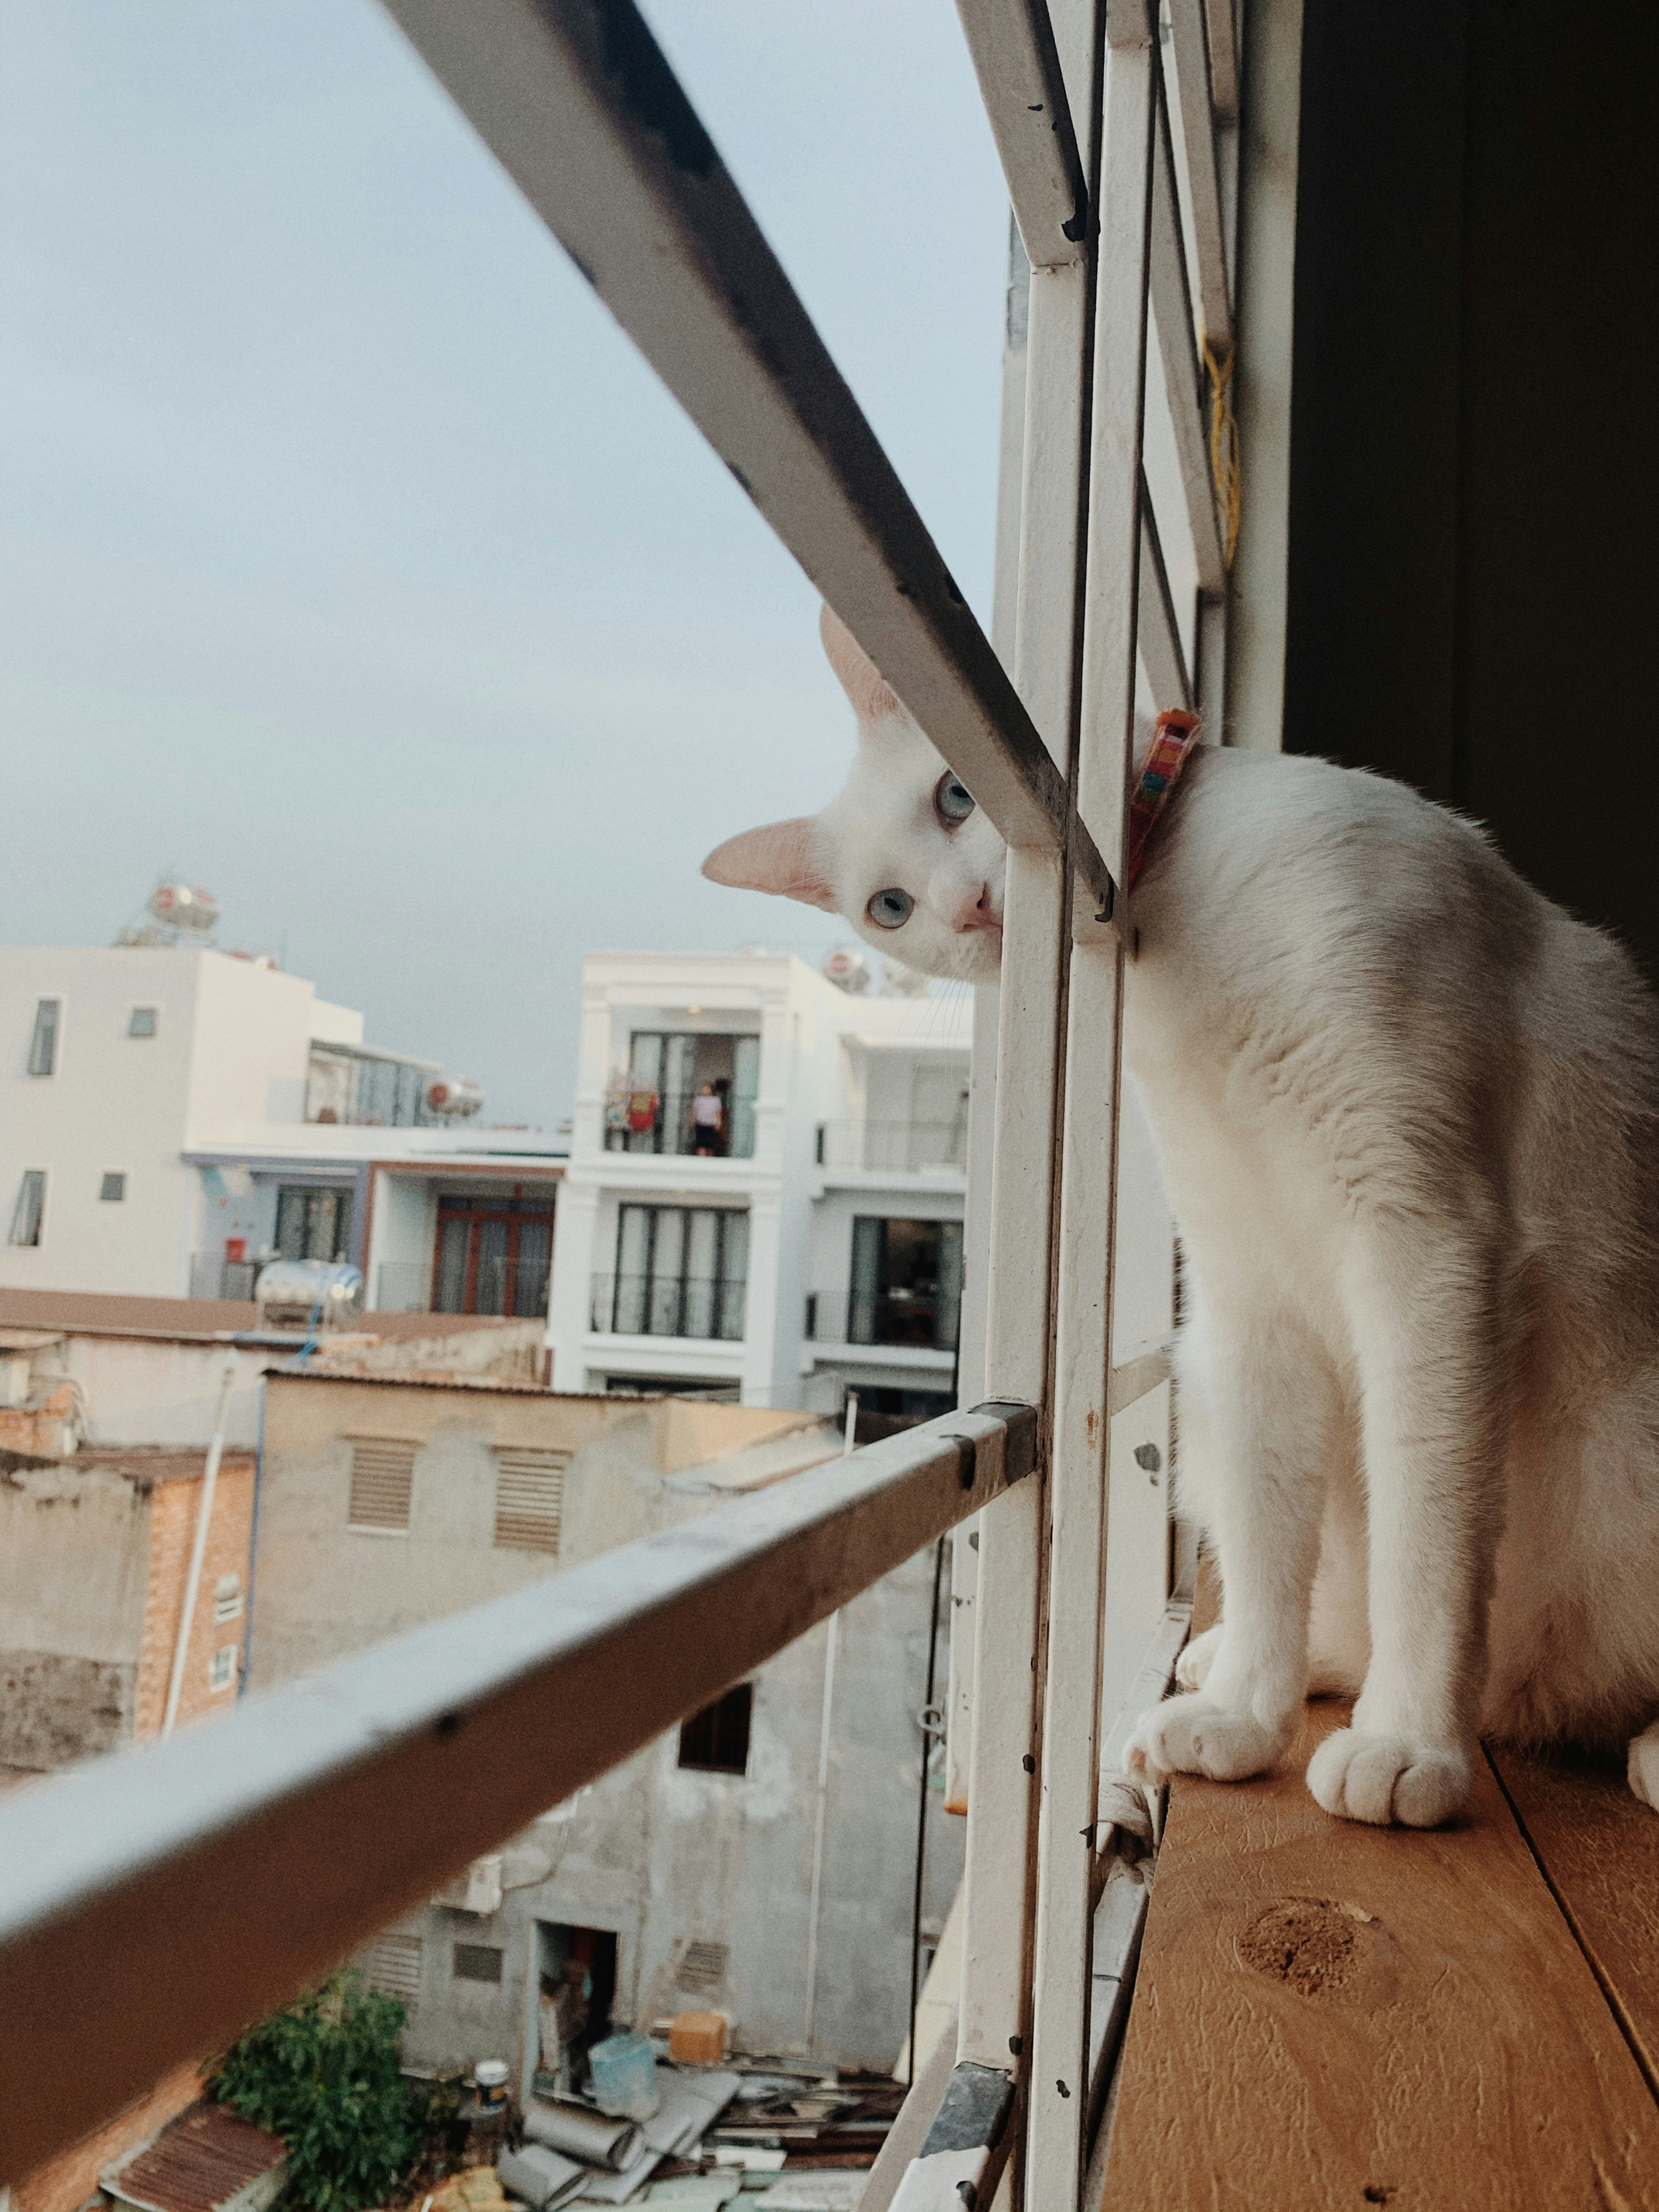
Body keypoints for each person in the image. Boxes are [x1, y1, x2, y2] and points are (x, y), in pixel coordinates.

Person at [691, 1082, 724, 1156]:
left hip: (711, 1124)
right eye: (704, 1089)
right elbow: (694, 1110)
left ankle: (710, 1160)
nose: (705, 1090)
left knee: (710, 1145)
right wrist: (693, 1119)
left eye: (707, 1089)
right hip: (701, 1124)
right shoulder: (698, 1099)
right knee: (701, 1144)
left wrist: (719, 1122)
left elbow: (718, 1112)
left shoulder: (716, 1100)